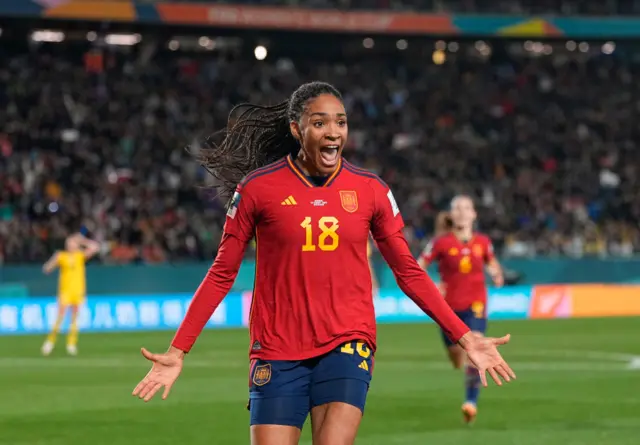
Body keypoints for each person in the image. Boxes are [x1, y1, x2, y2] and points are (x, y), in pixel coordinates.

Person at [132, 82, 515, 445]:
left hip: (348, 342)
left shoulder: (371, 190)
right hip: (277, 348)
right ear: (297, 129)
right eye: (320, 123)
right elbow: (221, 273)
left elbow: (408, 272)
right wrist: (178, 350)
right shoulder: (256, 189)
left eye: (340, 122)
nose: (333, 132)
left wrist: (465, 337)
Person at [418, 197, 505, 424]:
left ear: (474, 214)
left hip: (475, 305)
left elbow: (492, 262)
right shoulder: (440, 243)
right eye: (457, 208)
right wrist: (430, 284)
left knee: (473, 346)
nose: (462, 212)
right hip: (447, 309)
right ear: (451, 214)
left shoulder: (484, 242)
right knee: (456, 357)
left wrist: (496, 273)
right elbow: (418, 267)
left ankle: (470, 403)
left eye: (466, 208)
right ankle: (459, 364)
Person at [41, 232, 100, 356]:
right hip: (65, 291)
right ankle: (50, 341)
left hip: (78, 291)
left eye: (73, 243)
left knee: (74, 318)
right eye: (69, 243)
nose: (70, 245)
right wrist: (52, 261)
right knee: (60, 317)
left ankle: (71, 344)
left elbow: (95, 247)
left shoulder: (80, 256)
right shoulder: (61, 256)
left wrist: (83, 240)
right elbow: (46, 269)